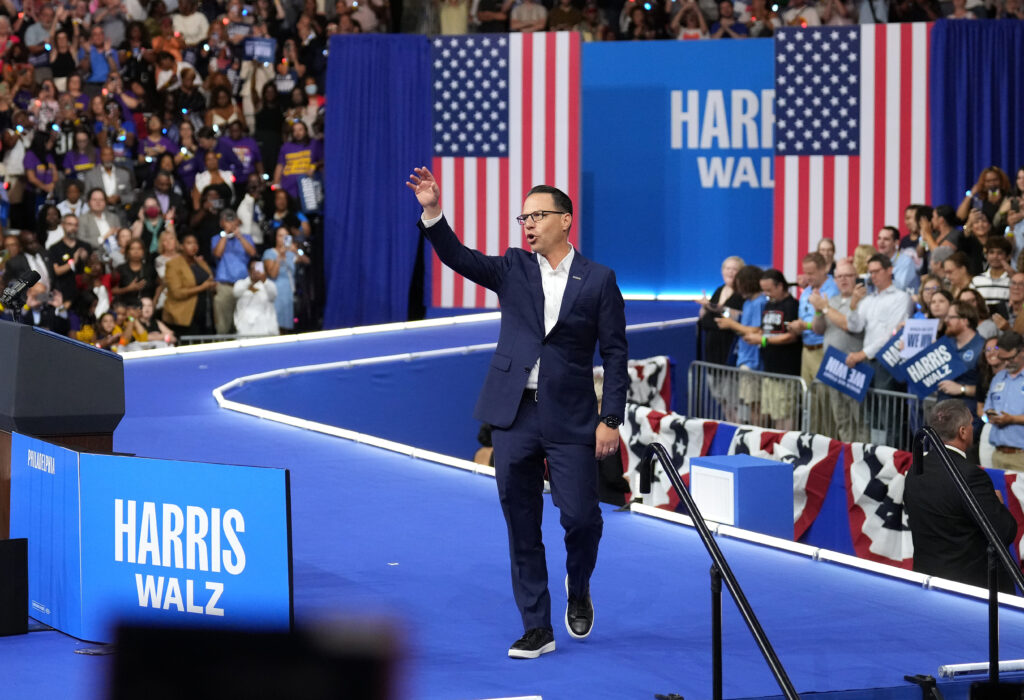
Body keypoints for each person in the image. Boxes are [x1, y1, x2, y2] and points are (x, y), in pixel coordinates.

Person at [407, 166, 628, 659]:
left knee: (582, 519)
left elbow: (615, 354)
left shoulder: (599, 280)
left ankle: (579, 586)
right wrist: (433, 211)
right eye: (522, 217)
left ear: (565, 220)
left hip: (571, 417)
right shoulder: (513, 267)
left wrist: (610, 418)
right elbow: (457, 256)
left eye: (538, 215)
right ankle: (537, 627)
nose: (527, 224)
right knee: (521, 521)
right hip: (513, 415)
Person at [904, 399, 1017, 592]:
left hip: (927, 581)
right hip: (969, 589)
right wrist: (998, 505)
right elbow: (1004, 532)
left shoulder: (915, 469)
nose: (973, 429)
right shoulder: (970, 476)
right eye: (972, 424)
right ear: (962, 432)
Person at [809, 259, 866, 442]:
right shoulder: (831, 300)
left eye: (848, 275)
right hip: (833, 367)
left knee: (859, 419)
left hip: (855, 367)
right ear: (834, 280)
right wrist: (818, 311)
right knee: (840, 418)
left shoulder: (862, 300)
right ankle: (848, 457)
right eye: (839, 276)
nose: (843, 280)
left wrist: (824, 308)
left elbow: (847, 324)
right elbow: (818, 329)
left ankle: (863, 457)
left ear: (855, 277)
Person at [743, 269, 801, 430]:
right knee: (772, 412)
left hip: (785, 369)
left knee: (785, 412)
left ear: (780, 286)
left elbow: (791, 336)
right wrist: (753, 335)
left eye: (769, 290)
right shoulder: (769, 304)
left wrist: (762, 340)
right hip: (769, 368)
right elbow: (765, 329)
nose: (766, 294)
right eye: (764, 290)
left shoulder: (792, 305)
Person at [845, 254, 913, 390]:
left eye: (877, 271)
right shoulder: (868, 299)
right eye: (871, 272)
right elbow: (855, 327)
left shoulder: (901, 298)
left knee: (885, 407)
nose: (873, 276)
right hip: (867, 360)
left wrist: (862, 354)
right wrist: (853, 305)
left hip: (887, 360)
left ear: (889, 270)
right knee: (868, 407)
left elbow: (892, 334)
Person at [787, 252, 838, 410]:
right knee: (809, 399)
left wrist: (805, 326)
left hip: (823, 348)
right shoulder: (806, 293)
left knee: (825, 400)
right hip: (806, 349)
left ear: (823, 269)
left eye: (811, 273)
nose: (807, 277)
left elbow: (831, 321)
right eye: (805, 272)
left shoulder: (832, 290)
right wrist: (796, 326)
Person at [211, 208, 257, 334]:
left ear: (238, 221)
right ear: (221, 223)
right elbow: (218, 253)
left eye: (233, 220)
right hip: (224, 286)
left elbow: (252, 253)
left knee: (245, 324)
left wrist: (239, 236)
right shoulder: (216, 238)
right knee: (223, 326)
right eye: (227, 221)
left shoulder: (246, 237)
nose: (231, 223)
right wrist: (226, 233)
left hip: (243, 285)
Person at [162, 232, 216, 338]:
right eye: (189, 243)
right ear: (181, 246)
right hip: (185, 315)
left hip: (205, 312)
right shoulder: (173, 264)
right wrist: (202, 287)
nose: (193, 246)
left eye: (195, 243)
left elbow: (209, 279)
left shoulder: (201, 263)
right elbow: (176, 293)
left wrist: (212, 286)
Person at [935, 301, 985, 413]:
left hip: (967, 414)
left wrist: (962, 389)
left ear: (965, 321)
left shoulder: (982, 348)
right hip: (942, 411)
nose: (946, 321)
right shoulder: (945, 344)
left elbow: (989, 388)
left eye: (951, 317)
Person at [697, 255, 744, 365]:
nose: (730, 272)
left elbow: (739, 316)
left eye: (734, 269)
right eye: (727, 269)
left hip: (730, 346)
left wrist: (714, 307)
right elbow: (705, 318)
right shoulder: (719, 290)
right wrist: (705, 306)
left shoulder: (742, 294)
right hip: (712, 347)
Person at [233, 258, 278, 336]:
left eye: (259, 268)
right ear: (248, 270)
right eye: (253, 268)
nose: (256, 271)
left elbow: (273, 295)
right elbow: (236, 292)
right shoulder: (241, 283)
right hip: (245, 330)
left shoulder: (269, 284)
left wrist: (264, 280)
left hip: (266, 330)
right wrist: (251, 280)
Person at [972, 237, 1012, 313]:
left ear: (1008, 257)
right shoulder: (976, 281)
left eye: (999, 253)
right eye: (991, 252)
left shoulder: (1014, 281)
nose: (995, 256)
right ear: (986, 256)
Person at [876, 226, 919, 293]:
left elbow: (900, 287)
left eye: (886, 239)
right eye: (879, 238)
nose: (881, 242)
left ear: (896, 243)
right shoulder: (876, 261)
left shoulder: (906, 261)